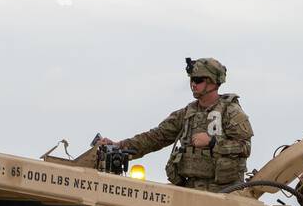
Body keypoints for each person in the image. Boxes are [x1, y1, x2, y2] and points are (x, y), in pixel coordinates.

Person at [98, 58, 253, 192]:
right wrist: (119, 147)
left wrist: (212, 142)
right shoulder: (187, 113)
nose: (193, 84)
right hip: (188, 190)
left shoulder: (231, 111)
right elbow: (156, 137)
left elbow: (245, 147)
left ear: (213, 82)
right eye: (192, 80)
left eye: (198, 80)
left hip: (224, 192)